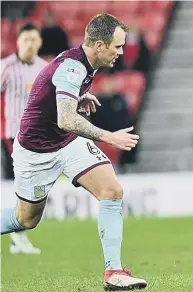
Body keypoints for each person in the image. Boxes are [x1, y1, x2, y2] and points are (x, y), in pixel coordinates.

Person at [0, 13, 147, 291]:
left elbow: (59, 106)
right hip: (35, 151)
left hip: (67, 142)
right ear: (100, 46)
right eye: (117, 46)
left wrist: (78, 96)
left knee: (112, 190)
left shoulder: (83, 64)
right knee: (26, 219)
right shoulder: (73, 68)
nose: (121, 52)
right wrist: (108, 137)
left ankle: (113, 272)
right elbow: (66, 118)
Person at [1, 23, 47, 255]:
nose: (29, 44)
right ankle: (18, 236)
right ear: (18, 42)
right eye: (25, 39)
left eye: (33, 39)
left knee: (29, 185)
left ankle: (15, 239)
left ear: (40, 42)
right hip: (12, 135)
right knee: (18, 184)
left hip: (37, 138)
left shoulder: (44, 69)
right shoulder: (6, 67)